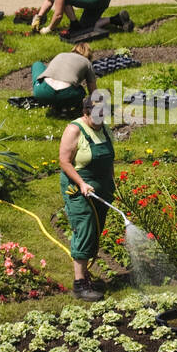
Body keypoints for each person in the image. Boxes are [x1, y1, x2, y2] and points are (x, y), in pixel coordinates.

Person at [58, 89, 115, 301]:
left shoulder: (104, 129)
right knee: (85, 227)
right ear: (86, 112)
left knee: (96, 229)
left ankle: (86, 275)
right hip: (78, 187)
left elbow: (108, 159)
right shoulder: (74, 129)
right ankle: (79, 284)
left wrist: (111, 182)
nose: (100, 121)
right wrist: (81, 183)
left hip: (101, 188)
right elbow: (64, 161)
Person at [32, 42, 95, 110]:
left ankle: (50, 100)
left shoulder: (61, 55)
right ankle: (65, 105)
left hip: (42, 93)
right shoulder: (87, 62)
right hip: (66, 96)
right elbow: (93, 92)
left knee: (37, 64)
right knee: (81, 91)